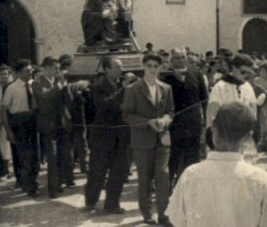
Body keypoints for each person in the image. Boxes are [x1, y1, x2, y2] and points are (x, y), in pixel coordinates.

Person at [166, 101, 267, 227]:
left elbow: (177, 220)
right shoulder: (261, 180)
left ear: (213, 130)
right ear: (248, 137)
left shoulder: (189, 176)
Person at [123, 53, 175, 226]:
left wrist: (165, 120)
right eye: (149, 66)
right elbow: (128, 115)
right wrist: (148, 123)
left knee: (163, 178)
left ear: (160, 68)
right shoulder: (133, 89)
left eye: (156, 66)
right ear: (143, 67)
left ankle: (163, 214)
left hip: (162, 140)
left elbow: (171, 111)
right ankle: (147, 214)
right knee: (144, 179)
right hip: (142, 141)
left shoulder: (166, 88)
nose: (152, 69)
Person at [84, 56, 130, 214]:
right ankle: (90, 202)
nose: (121, 69)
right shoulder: (98, 87)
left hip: (121, 137)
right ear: (107, 69)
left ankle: (112, 204)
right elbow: (104, 106)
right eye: (117, 66)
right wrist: (124, 89)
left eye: (121, 66)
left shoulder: (119, 85)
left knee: (119, 171)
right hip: (102, 138)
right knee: (98, 171)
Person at [162, 47, 207, 185]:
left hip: (193, 123)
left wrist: (205, 120)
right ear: (172, 59)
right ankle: (170, 187)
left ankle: (192, 186)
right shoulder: (166, 76)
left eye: (182, 57)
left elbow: (204, 97)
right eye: (177, 58)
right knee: (174, 158)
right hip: (175, 124)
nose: (180, 60)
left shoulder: (196, 73)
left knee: (193, 157)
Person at [32, 57, 74, 198]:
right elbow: (44, 99)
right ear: (47, 68)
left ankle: (59, 183)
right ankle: (52, 189)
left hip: (62, 123)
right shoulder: (37, 83)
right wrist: (58, 87)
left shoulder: (59, 82)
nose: (58, 71)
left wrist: (66, 87)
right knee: (53, 157)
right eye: (55, 68)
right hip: (48, 125)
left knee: (64, 155)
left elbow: (69, 101)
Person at [2, 59, 39, 197]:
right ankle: (29, 185)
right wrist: (8, 130)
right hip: (18, 122)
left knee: (35, 154)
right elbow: (4, 110)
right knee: (24, 156)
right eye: (27, 71)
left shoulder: (33, 85)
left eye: (31, 71)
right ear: (17, 73)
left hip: (32, 120)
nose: (30, 73)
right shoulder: (11, 88)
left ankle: (32, 181)